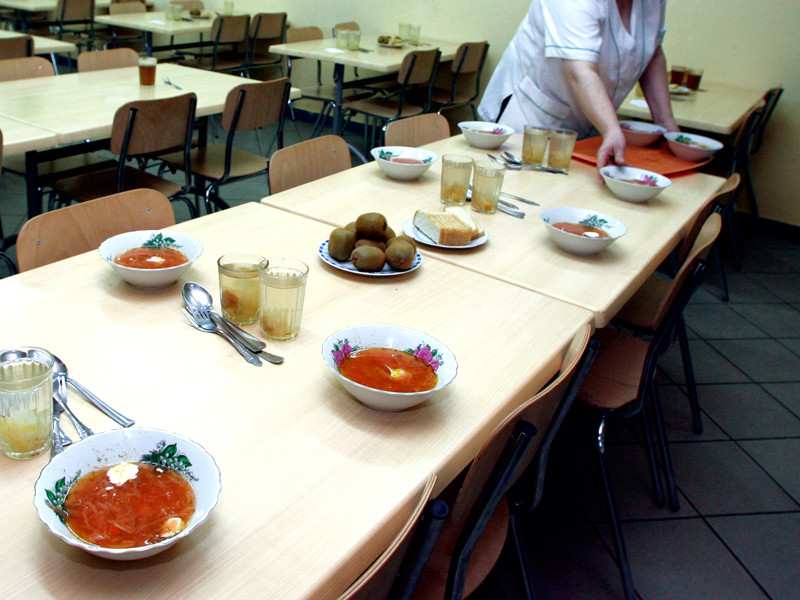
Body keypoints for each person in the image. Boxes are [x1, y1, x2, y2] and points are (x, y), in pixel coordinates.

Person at [478, 0, 679, 170]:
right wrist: (611, 129)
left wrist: (667, 124)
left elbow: (652, 53)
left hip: (589, 128)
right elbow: (580, 71)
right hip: (531, 118)